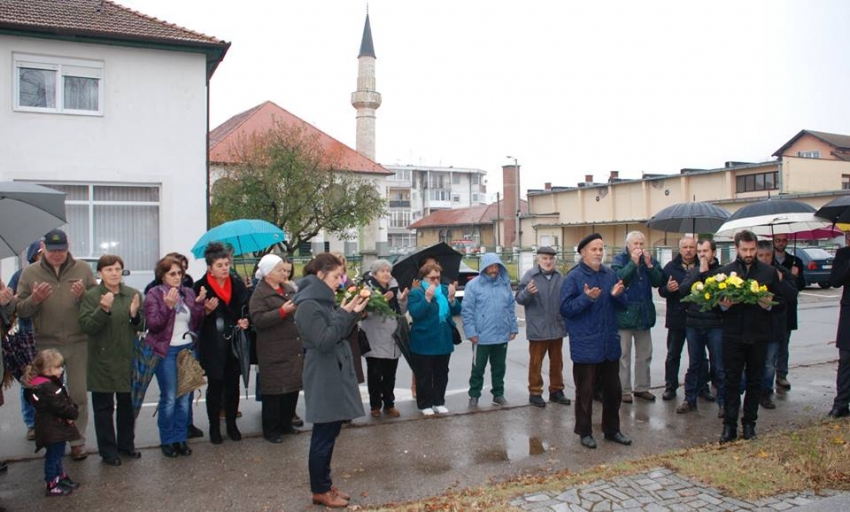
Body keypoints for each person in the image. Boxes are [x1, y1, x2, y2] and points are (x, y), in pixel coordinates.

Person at [293, 253, 368, 508]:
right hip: (323, 373)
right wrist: (344, 314)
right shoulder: (309, 305)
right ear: (321, 275)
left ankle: (325, 484)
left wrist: (351, 313)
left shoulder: (322, 301)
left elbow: (339, 331)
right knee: (323, 435)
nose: (340, 281)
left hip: (332, 371)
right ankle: (320, 490)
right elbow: (324, 341)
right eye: (336, 276)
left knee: (330, 431)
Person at [15, 229, 97, 461]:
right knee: (50, 397)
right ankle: (54, 441)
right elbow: (20, 308)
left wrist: (84, 296)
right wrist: (35, 300)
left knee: (79, 394)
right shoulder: (30, 273)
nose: (57, 254)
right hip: (47, 345)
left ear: (68, 246)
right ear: (43, 248)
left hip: (78, 341)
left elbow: (95, 302)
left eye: (61, 249)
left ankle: (78, 440)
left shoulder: (82, 269)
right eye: (52, 251)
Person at [560, 233, 630, 449]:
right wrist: (587, 298)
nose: (599, 253)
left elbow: (623, 305)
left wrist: (619, 295)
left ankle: (611, 430)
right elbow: (565, 309)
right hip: (585, 343)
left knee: (613, 391)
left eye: (601, 249)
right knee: (586, 391)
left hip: (609, 343)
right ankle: (584, 431)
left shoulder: (610, 274)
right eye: (594, 249)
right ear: (582, 252)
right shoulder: (573, 277)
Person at [79, 255, 145, 466]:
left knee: (127, 406)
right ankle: (108, 451)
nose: (114, 273)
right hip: (102, 359)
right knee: (104, 409)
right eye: (109, 270)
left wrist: (135, 315)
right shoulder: (91, 296)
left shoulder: (133, 294)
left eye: (117, 269)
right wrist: (103, 310)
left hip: (127, 358)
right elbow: (87, 326)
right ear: (100, 273)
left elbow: (143, 326)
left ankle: (126, 445)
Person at [718, 230, 782, 443]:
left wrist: (769, 305)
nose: (748, 253)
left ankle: (750, 424)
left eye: (752, 249)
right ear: (736, 248)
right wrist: (724, 306)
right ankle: (729, 425)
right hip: (733, 335)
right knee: (731, 381)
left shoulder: (768, 272)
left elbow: (781, 301)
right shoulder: (726, 273)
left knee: (756, 380)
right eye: (744, 249)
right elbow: (715, 306)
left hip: (758, 334)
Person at [145, 256, 206, 457]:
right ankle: (168, 440)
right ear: (162, 276)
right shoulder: (154, 294)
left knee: (185, 397)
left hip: (187, 349)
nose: (177, 277)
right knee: (170, 398)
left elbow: (194, 322)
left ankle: (181, 438)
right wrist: (167, 306)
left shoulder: (187, 292)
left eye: (180, 273)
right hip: (167, 351)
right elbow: (154, 325)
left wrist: (199, 306)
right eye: (172, 273)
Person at [194, 242, 251, 444]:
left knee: (233, 384)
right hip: (213, 343)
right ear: (210, 267)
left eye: (227, 264)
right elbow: (193, 319)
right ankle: (214, 427)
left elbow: (246, 308)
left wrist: (245, 320)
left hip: (233, 341)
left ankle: (232, 425)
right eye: (220, 265)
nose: (225, 268)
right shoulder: (200, 287)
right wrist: (206, 311)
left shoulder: (236, 284)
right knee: (215, 385)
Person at [249, 254, 302, 443]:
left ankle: (286, 424)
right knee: (274, 392)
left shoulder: (287, 288)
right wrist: (281, 312)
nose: (283, 272)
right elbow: (258, 320)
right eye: (279, 270)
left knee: (291, 389)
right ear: (268, 273)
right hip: (272, 348)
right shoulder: (260, 293)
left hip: (292, 347)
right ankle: (271, 430)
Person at [611, 231, 663, 403]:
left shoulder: (650, 260)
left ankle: (642, 387)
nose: (639, 247)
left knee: (645, 353)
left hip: (644, 314)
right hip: (625, 313)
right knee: (623, 355)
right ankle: (624, 390)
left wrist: (649, 266)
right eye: (636, 244)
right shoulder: (620, 260)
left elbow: (658, 281)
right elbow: (619, 279)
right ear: (628, 245)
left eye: (641, 244)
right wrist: (633, 263)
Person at [516, 246, 570, 408]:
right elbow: (519, 298)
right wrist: (527, 292)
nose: (548, 262)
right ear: (537, 259)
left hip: (556, 326)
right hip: (538, 328)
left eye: (551, 259)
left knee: (557, 362)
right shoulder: (530, 276)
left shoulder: (560, 277)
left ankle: (556, 391)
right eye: (544, 258)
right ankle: (535, 392)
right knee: (536, 362)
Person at [23, 349, 82, 497]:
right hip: (52, 427)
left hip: (52, 426)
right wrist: (72, 412)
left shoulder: (43, 385)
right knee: (54, 455)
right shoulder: (47, 388)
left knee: (57, 453)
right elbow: (59, 406)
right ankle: (51, 482)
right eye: (57, 367)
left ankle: (59, 477)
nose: (61, 369)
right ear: (47, 370)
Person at [462, 253, 518, 408]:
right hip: (481, 336)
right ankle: (474, 395)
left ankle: (498, 394)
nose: (493, 269)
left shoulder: (504, 284)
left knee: (499, 368)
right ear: (484, 267)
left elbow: (510, 308)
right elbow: (467, 311)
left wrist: (513, 327)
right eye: (490, 266)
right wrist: (471, 332)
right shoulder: (473, 285)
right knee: (478, 368)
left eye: (496, 266)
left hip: (501, 335)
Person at [679, 238, 726, 417]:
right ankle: (689, 399)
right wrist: (699, 273)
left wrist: (706, 274)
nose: (702, 255)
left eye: (705, 251)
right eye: (700, 252)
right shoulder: (693, 271)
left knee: (719, 365)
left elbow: (716, 295)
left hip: (715, 324)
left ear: (713, 252)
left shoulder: (721, 272)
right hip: (694, 323)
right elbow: (683, 290)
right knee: (694, 364)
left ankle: (723, 401)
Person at [409, 262, 462, 416]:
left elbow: (457, 311)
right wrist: (426, 299)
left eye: (438, 277)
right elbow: (416, 313)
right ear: (424, 278)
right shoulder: (416, 292)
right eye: (432, 278)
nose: (436, 281)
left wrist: (452, 299)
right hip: (423, 341)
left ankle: (439, 401)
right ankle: (424, 404)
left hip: (443, 340)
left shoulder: (444, 290)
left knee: (441, 373)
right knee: (424, 375)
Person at [361, 259, 408, 418]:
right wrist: (382, 300)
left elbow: (400, 311)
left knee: (390, 374)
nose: (386, 274)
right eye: (382, 271)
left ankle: (389, 404)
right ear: (374, 274)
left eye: (388, 271)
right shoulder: (367, 289)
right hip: (374, 337)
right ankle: (375, 405)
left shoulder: (395, 287)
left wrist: (402, 301)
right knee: (375, 374)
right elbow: (364, 311)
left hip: (392, 338)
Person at [755, 241, 798, 410]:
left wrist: (781, 282)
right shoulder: (750, 272)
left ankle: (766, 393)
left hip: (774, 325)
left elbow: (792, 296)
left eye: (768, 255)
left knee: (769, 363)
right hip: (754, 326)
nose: (764, 259)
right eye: (761, 255)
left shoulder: (781, 272)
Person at [8, 240, 42, 441]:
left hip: (52, 335)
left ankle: (51, 420)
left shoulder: (57, 274)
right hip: (28, 335)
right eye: (41, 252)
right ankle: (31, 423)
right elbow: (12, 304)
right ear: (34, 255)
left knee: (54, 380)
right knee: (29, 380)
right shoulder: (20, 275)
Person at [659, 237, 697, 402]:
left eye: (691, 247)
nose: (688, 250)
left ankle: (700, 386)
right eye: (685, 247)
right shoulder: (670, 268)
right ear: (679, 249)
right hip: (677, 317)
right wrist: (667, 289)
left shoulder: (702, 267)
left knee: (697, 355)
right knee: (673, 354)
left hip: (697, 318)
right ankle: (670, 385)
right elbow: (660, 290)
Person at [771, 235, 804, 391]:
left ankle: (782, 374)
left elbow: (800, 286)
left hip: (788, 310)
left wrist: (795, 276)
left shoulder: (795, 261)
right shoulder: (769, 262)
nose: (781, 243)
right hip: (771, 310)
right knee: (770, 348)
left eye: (784, 240)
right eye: (778, 240)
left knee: (784, 344)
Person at [828, 244, 850, 418]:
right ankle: (841, 403)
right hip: (848, 313)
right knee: (846, 359)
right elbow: (834, 281)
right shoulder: (843, 254)